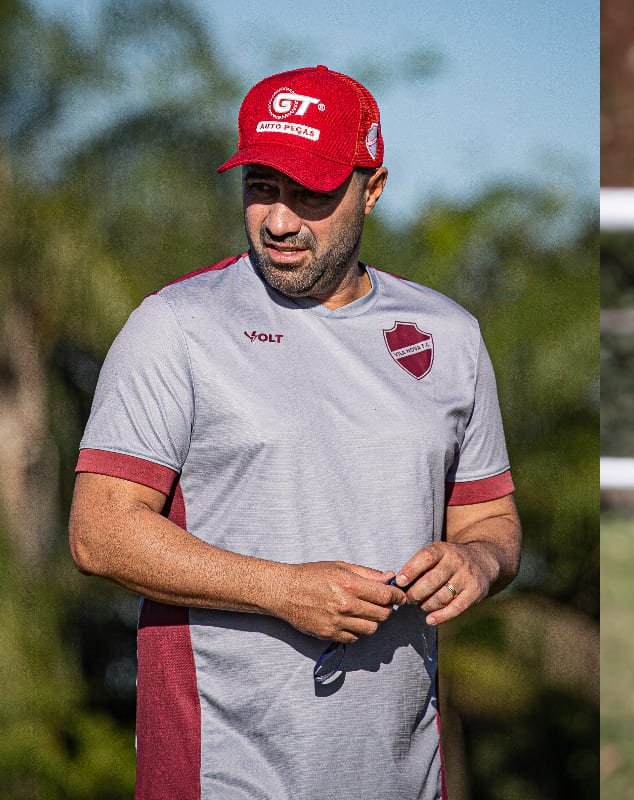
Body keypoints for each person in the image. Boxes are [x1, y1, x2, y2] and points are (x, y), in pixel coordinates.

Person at [68, 65, 521, 799]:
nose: (279, 221)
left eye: (310, 193)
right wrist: (281, 590)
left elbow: (494, 524)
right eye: (261, 189)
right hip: (223, 772)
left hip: (404, 777)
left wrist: (476, 561)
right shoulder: (176, 326)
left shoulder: (451, 337)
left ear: (372, 188)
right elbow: (99, 532)